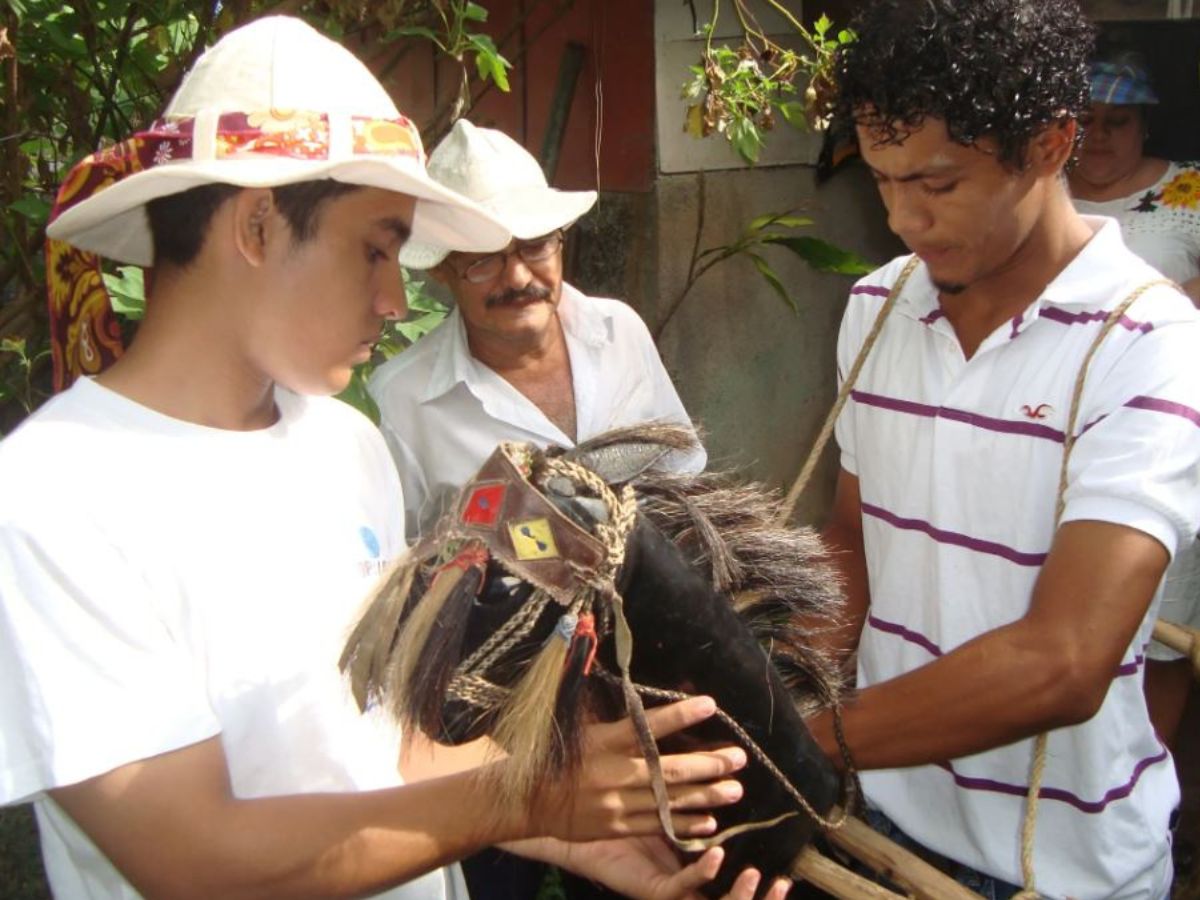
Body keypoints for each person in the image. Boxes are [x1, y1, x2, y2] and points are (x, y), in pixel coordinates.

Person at [0, 17, 784, 900]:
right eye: (376, 249)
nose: (393, 296)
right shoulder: (53, 495)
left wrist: (575, 822)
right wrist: (523, 800)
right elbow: (192, 859)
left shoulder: (348, 445)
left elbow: (386, 742)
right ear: (257, 225)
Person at [802, 1, 1200, 897]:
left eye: (939, 185)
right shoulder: (876, 310)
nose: (905, 217)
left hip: (1059, 867)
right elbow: (852, 543)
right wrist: (793, 696)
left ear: (1053, 145)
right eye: (881, 179)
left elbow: (1064, 660)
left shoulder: (1147, 340)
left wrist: (801, 740)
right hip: (877, 822)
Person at [368, 120, 705, 542]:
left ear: (560, 241)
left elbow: (683, 476)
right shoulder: (403, 401)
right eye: (484, 260)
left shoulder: (621, 331)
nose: (518, 277)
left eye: (535, 245)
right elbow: (402, 567)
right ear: (443, 270)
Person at [1068, 51, 1200, 748]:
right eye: (1083, 120)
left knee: (1163, 620)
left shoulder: (1192, 192)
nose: (1099, 136)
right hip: (1052, 425)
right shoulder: (1039, 188)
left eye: (1116, 121)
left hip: (1162, 429)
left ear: (1145, 124)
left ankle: (1152, 790)